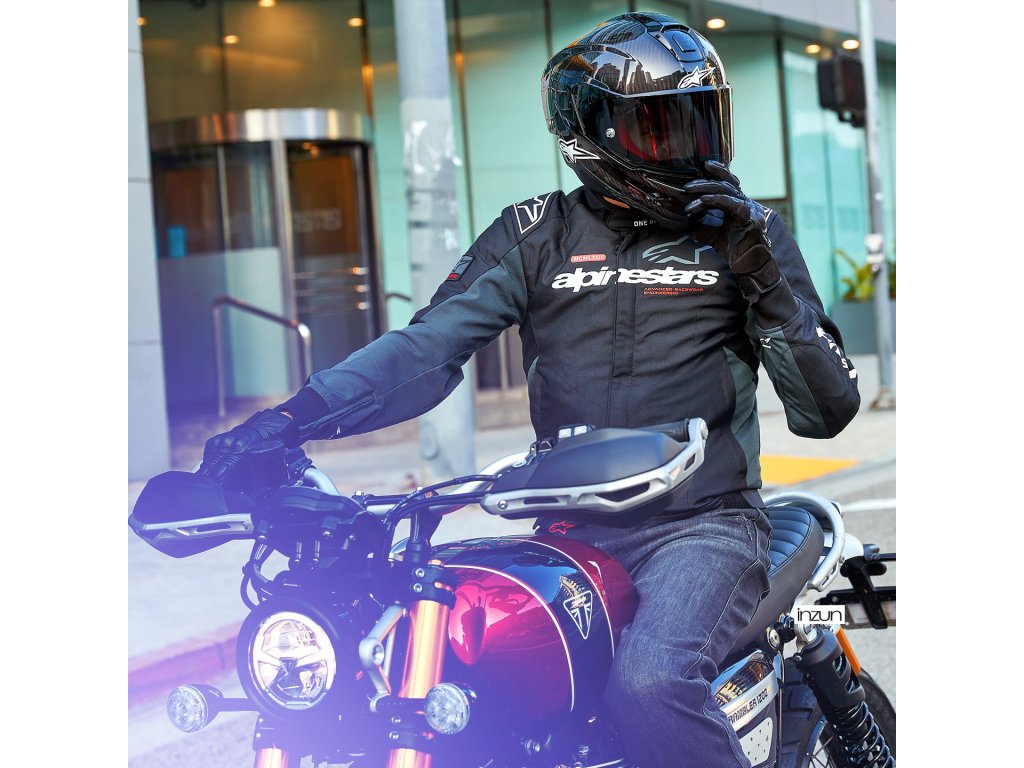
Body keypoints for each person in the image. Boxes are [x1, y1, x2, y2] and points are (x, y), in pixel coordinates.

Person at [199, 12, 859, 768]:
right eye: (659, 127)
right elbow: (424, 350)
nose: (688, 148)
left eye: (698, 121)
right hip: (568, 530)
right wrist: (292, 419)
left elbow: (826, 411)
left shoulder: (746, 234)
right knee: (482, 686)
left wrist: (765, 279)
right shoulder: (535, 233)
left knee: (649, 684)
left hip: (701, 528)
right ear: (595, 133)